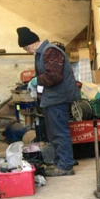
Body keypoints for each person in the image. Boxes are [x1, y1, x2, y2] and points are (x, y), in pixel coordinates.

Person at [18, 27, 77, 176]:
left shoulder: (51, 51)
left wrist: (36, 81)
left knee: (59, 133)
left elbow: (54, 76)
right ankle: (59, 163)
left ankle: (66, 166)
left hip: (58, 98)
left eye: (26, 48)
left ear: (32, 43)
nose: (27, 51)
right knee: (53, 133)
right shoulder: (42, 53)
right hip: (52, 98)